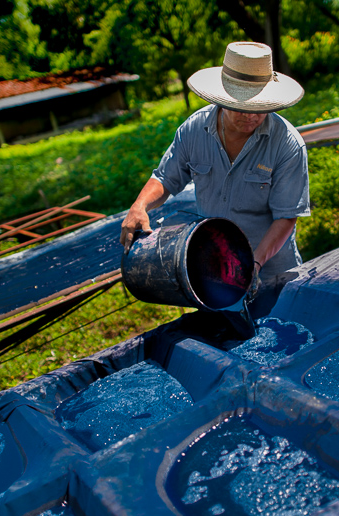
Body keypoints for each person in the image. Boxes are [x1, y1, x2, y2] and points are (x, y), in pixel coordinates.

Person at [120, 41, 310, 315]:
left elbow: (286, 217)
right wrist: (140, 206)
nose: (250, 115)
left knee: (281, 330)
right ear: (221, 98)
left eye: (259, 107)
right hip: (212, 265)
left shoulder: (287, 144)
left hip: (271, 269)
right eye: (242, 106)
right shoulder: (194, 131)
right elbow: (165, 178)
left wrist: (252, 265)